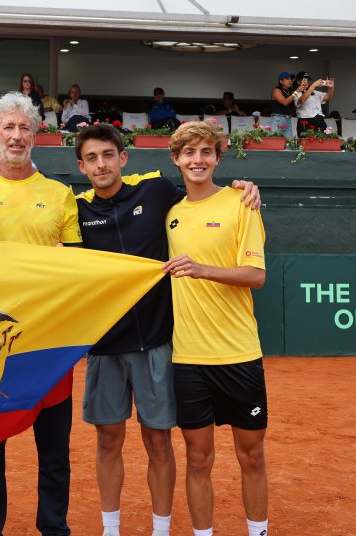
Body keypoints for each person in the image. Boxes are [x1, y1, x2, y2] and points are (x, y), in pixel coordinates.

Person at [74, 124, 259, 536]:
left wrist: (243, 187)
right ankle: (110, 529)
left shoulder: (155, 192)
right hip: (104, 346)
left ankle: (161, 529)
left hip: (156, 342)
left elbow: (202, 193)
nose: (101, 164)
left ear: (123, 159)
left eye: (108, 155)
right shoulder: (76, 210)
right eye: (91, 158)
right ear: (82, 167)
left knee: (158, 442)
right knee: (108, 441)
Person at [0, 92, 82, 536]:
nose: (16, 136)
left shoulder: (60, 194)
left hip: (49, 342)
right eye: (8, 128)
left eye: (24, 128)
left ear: (35, 136)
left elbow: (77, 265)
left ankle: (54, 528)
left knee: (54, 450)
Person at [163, 121, 268, 536]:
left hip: (240, 354)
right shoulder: (170, 214)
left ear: (218, 158)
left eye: (206, 152)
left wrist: (202, 269)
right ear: (176, 159)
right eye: (189, 153)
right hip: (189, 359)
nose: (198, 160)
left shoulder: (242, 203)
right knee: (197, 459)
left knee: (252, 456)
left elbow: (256, 275)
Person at [294, 71, 334, 136]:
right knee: (306, 141)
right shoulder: (296, 92)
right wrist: (313, 86)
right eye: (304, 79)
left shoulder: (315, 92)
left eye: (308, 80)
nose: (307, 81)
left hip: (320, 120)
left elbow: (327, 97)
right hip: (305, 121)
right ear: (298, 82)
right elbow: (301, 100)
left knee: (326, 140)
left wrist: (331, 88)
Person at [270, 72, 302, 138]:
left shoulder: (290, 91)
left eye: (290, 79)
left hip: (288, 119)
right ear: (281, 81)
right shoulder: (276, 90)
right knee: (275, 140)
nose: (290, 81)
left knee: (289, 141)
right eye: (287, 79)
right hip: (278, 119)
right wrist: (296, 92)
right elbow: (285, 102)